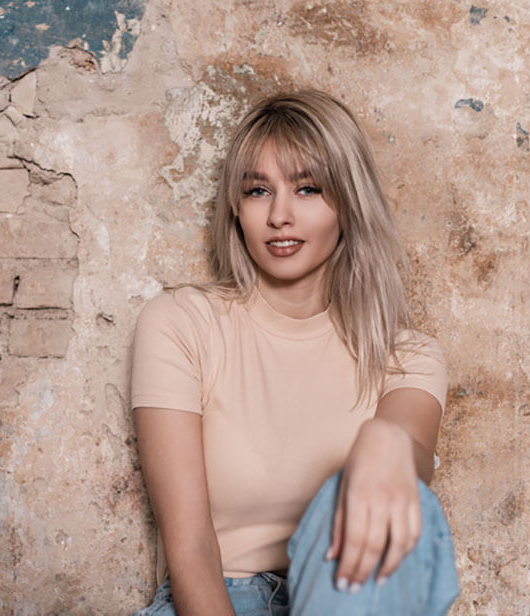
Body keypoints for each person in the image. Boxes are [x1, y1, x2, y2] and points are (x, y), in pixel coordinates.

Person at [130, 91, 459, 615]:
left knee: (397, 495)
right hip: (216, 600)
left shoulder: (406, 356)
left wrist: (385, 442)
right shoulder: (181, 323)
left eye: (308, 188)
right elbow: (189, 547)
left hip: (347, 597)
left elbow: (411, 459)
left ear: (349, 203)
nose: (280, 215)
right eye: (259, 190)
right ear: (236, 209)